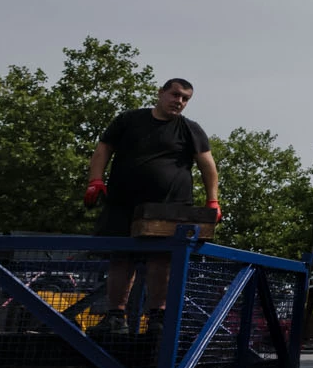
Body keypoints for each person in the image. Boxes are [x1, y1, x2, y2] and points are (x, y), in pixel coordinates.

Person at [83, 77, 220, 338]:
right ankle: (115, 317)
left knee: (161, 258)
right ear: (160, 93)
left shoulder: (190, 129)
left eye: (185, 99)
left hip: (170, 207)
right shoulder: (128, 120)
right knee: (121, 257)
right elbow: (103, 150)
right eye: (175, 95)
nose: (179, 102)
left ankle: (157, 317)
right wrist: (95, 180)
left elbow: (208, 166)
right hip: (123, 203)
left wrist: (212, 200)